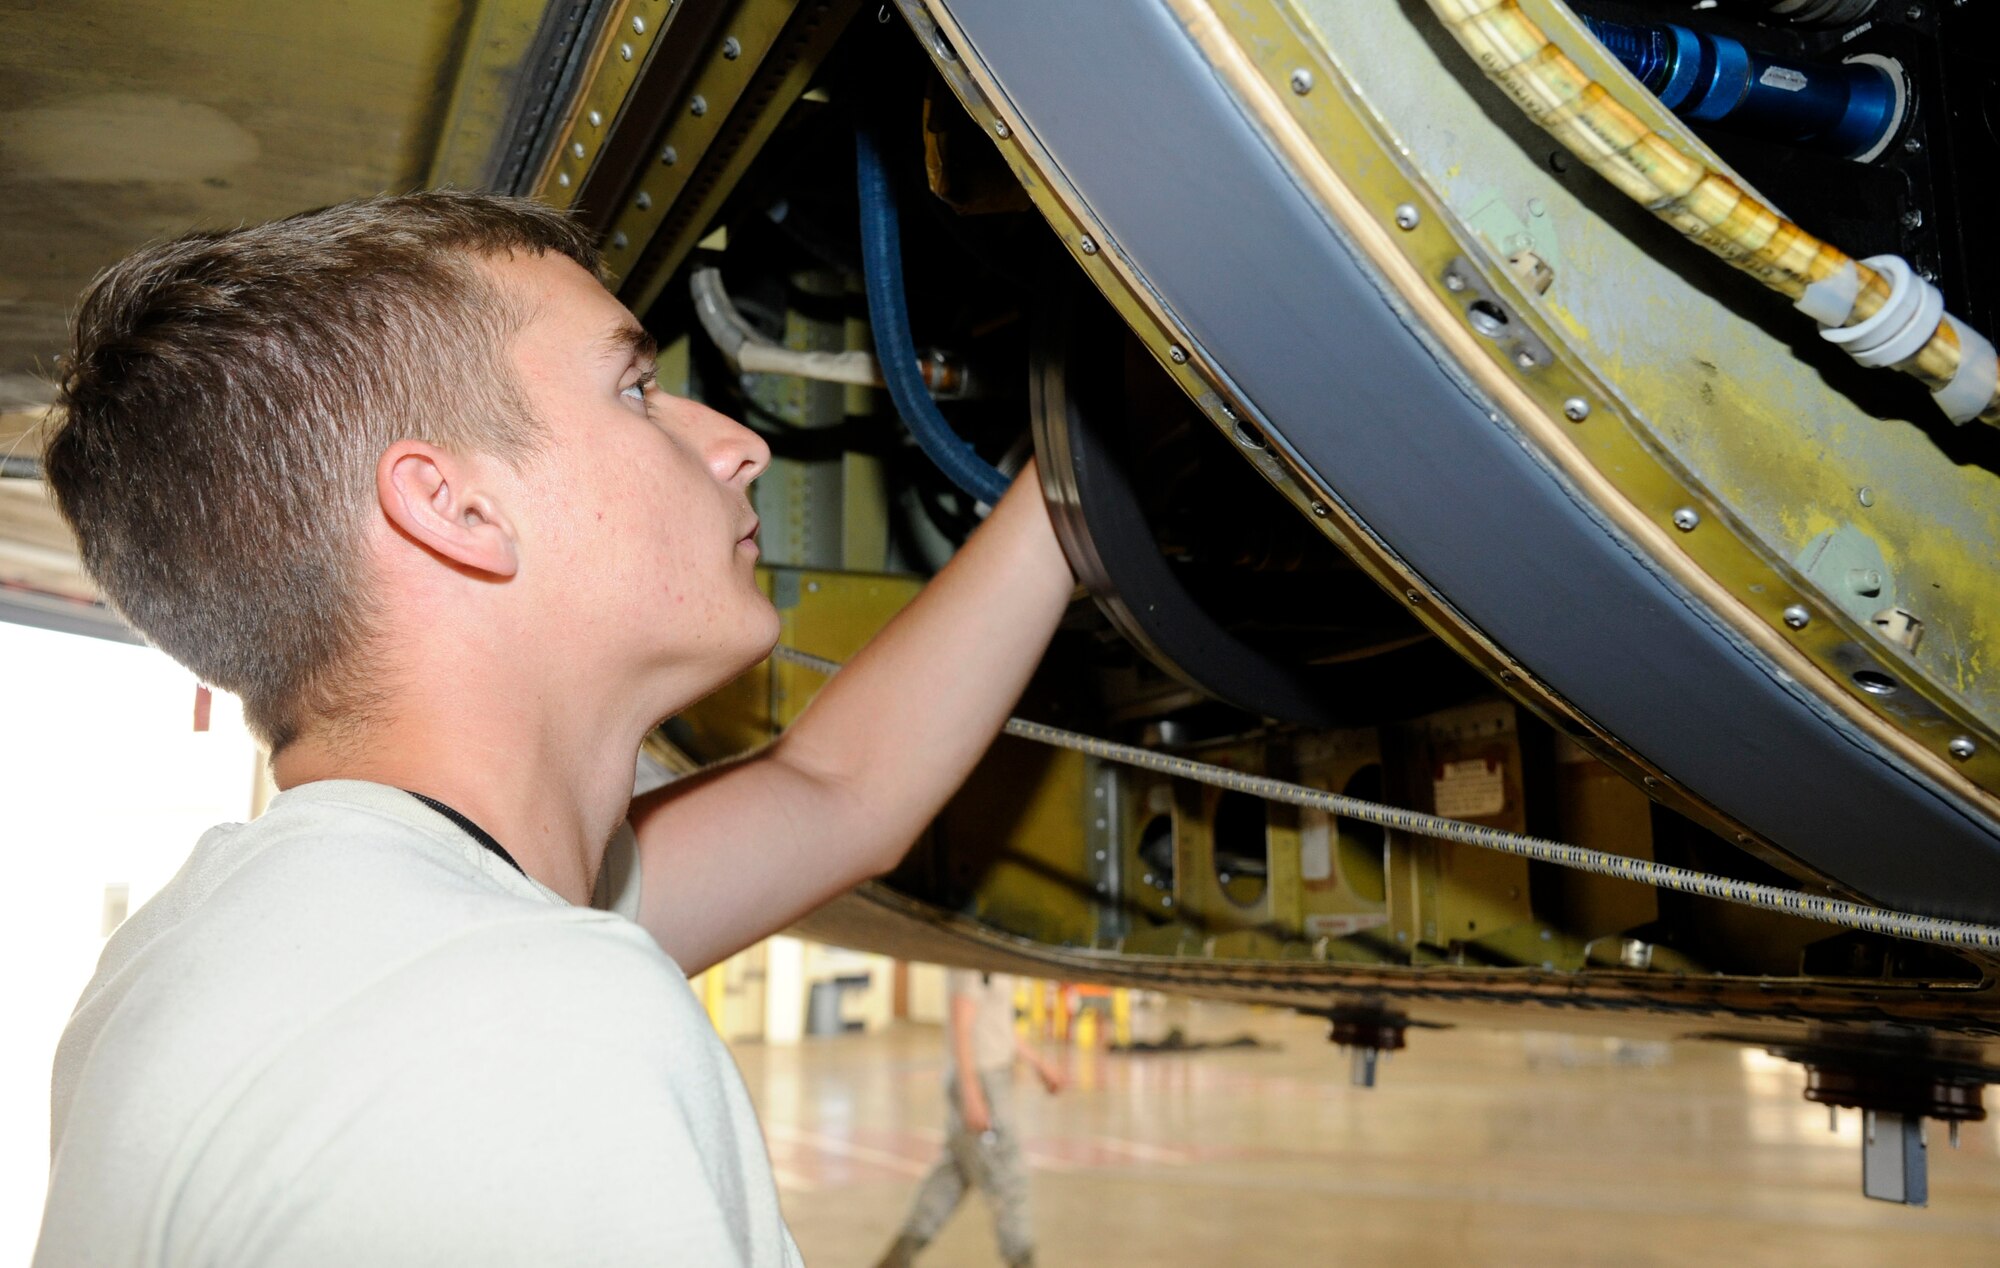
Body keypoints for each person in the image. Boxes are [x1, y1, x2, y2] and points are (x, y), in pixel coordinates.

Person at [33, 191, 1075, 1265]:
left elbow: (840, 790)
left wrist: (1074, 488)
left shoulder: (265, 942)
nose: (739, 445)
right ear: (456, 508)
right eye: (635, 388)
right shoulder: (521, 1028)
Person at [877, 971, 1064, 1268]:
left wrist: (1037, 1063)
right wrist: (972, 1094)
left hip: (989, 1078)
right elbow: (960, 1025)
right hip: (981, 1081)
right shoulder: (971, 964)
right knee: (1009, 1181)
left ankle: (895, 1261)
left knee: (951, 1178)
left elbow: (996, 1025)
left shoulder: (992, 962)